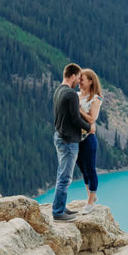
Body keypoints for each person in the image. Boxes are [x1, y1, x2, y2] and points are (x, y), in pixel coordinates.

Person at [51, 63, 91, 221]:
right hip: (69, 141)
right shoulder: (71, 94)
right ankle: (58, 212)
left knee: (61, 174)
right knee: (65, 177)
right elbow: (75, 119)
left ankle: (60, 206)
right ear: (73, 76)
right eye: (78, 78)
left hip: (59, 137)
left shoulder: (58, 91)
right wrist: (89, 127)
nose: (78, 82)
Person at [76, 69, 103, 206]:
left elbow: (92, 119)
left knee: (91, 169)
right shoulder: (76, 95)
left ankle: (91, 202)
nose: (79, 81)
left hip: (88, 137)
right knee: (83, 169)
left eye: (82, 79)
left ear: (91, 81)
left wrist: (79, 110)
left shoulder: (95, 99)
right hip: (75, 137)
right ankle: (90, 195)